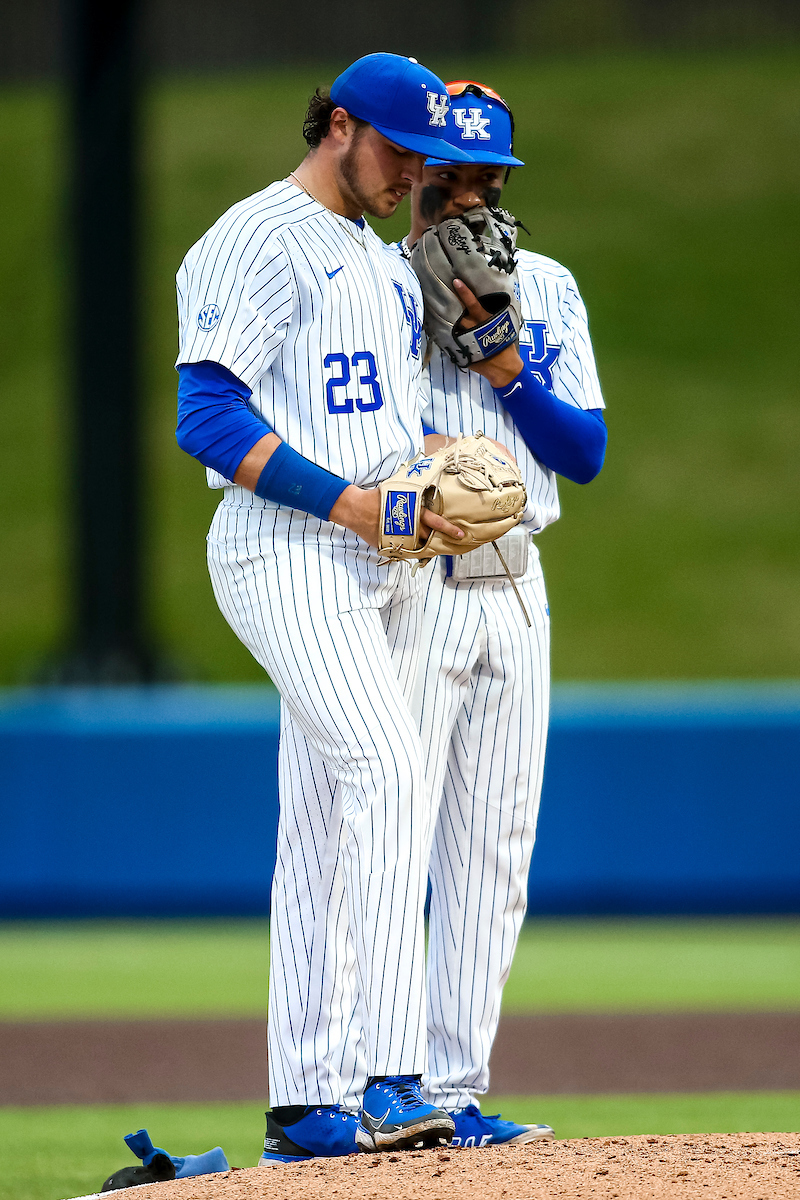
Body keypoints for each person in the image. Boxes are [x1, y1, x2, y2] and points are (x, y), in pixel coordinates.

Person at [174, 53, 474, 1161]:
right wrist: (350, 500)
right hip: (287, 550)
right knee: (390, 772)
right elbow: (204, 413)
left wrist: (436, 461)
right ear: (339, 125)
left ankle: (305, 1101)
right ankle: (391, 1077)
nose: (409, 174)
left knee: (317, 824)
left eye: (421, 157)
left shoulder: (377, 259)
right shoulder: (255, 236)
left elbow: (371, 416)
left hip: (376, 556)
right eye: (397, 149)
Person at [402, 80, 607, 1147]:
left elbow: (583, 451)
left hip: (515, 583)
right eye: (449, 178)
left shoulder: (549, 285)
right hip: (408, 588)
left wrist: (508, 369)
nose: (471, 199)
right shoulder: (377, 290)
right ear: (409, 175)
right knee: (390, 837)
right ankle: (364, 1086)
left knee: (492, 849)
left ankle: (449, 1095)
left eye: (489, 178)